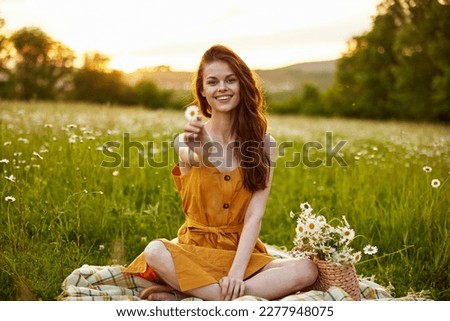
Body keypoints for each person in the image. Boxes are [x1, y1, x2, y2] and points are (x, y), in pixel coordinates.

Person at [124, 44, 318, 301]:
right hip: (195, 252)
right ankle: (224, 297)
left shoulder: (264, 144)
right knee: (155, 251)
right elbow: (201, 159)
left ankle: (194, 294)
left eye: (230, 80)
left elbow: (254, 215)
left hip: (242, 254)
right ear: (202, 91)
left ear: (242, 86)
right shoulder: (185, 140)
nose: (222, 88)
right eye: (212, 82)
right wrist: (202, 143)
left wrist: (236, 274)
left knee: (307, 269)